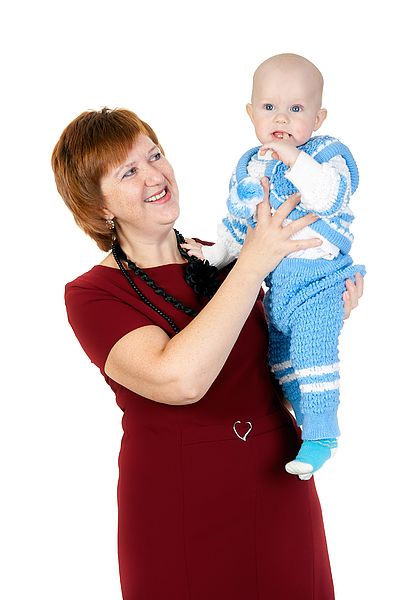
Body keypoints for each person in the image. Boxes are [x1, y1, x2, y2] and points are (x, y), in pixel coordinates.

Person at [52, 107, 363, 599]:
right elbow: (179, 380)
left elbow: (269, 372)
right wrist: (256, 259)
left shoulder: (224, 255)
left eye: (154, 156)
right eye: (129, 171)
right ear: (99, 205)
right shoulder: (93, 294)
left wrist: (322, 312)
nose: (155, 176)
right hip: (179, 504)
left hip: (276, 484)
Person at [182, 53, 366, 479]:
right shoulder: (249, 165)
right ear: (250, 112)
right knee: (280, 360)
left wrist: (293, 158)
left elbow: (329, 196)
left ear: (318, 118)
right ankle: (304, 419)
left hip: (320, 277)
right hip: (278, 286)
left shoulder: (326, 154)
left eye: (296, 109)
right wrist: (212, 255)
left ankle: (322, 436)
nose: (281, 117)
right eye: (269, 108)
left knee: (313, 353)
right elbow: (238, 224)